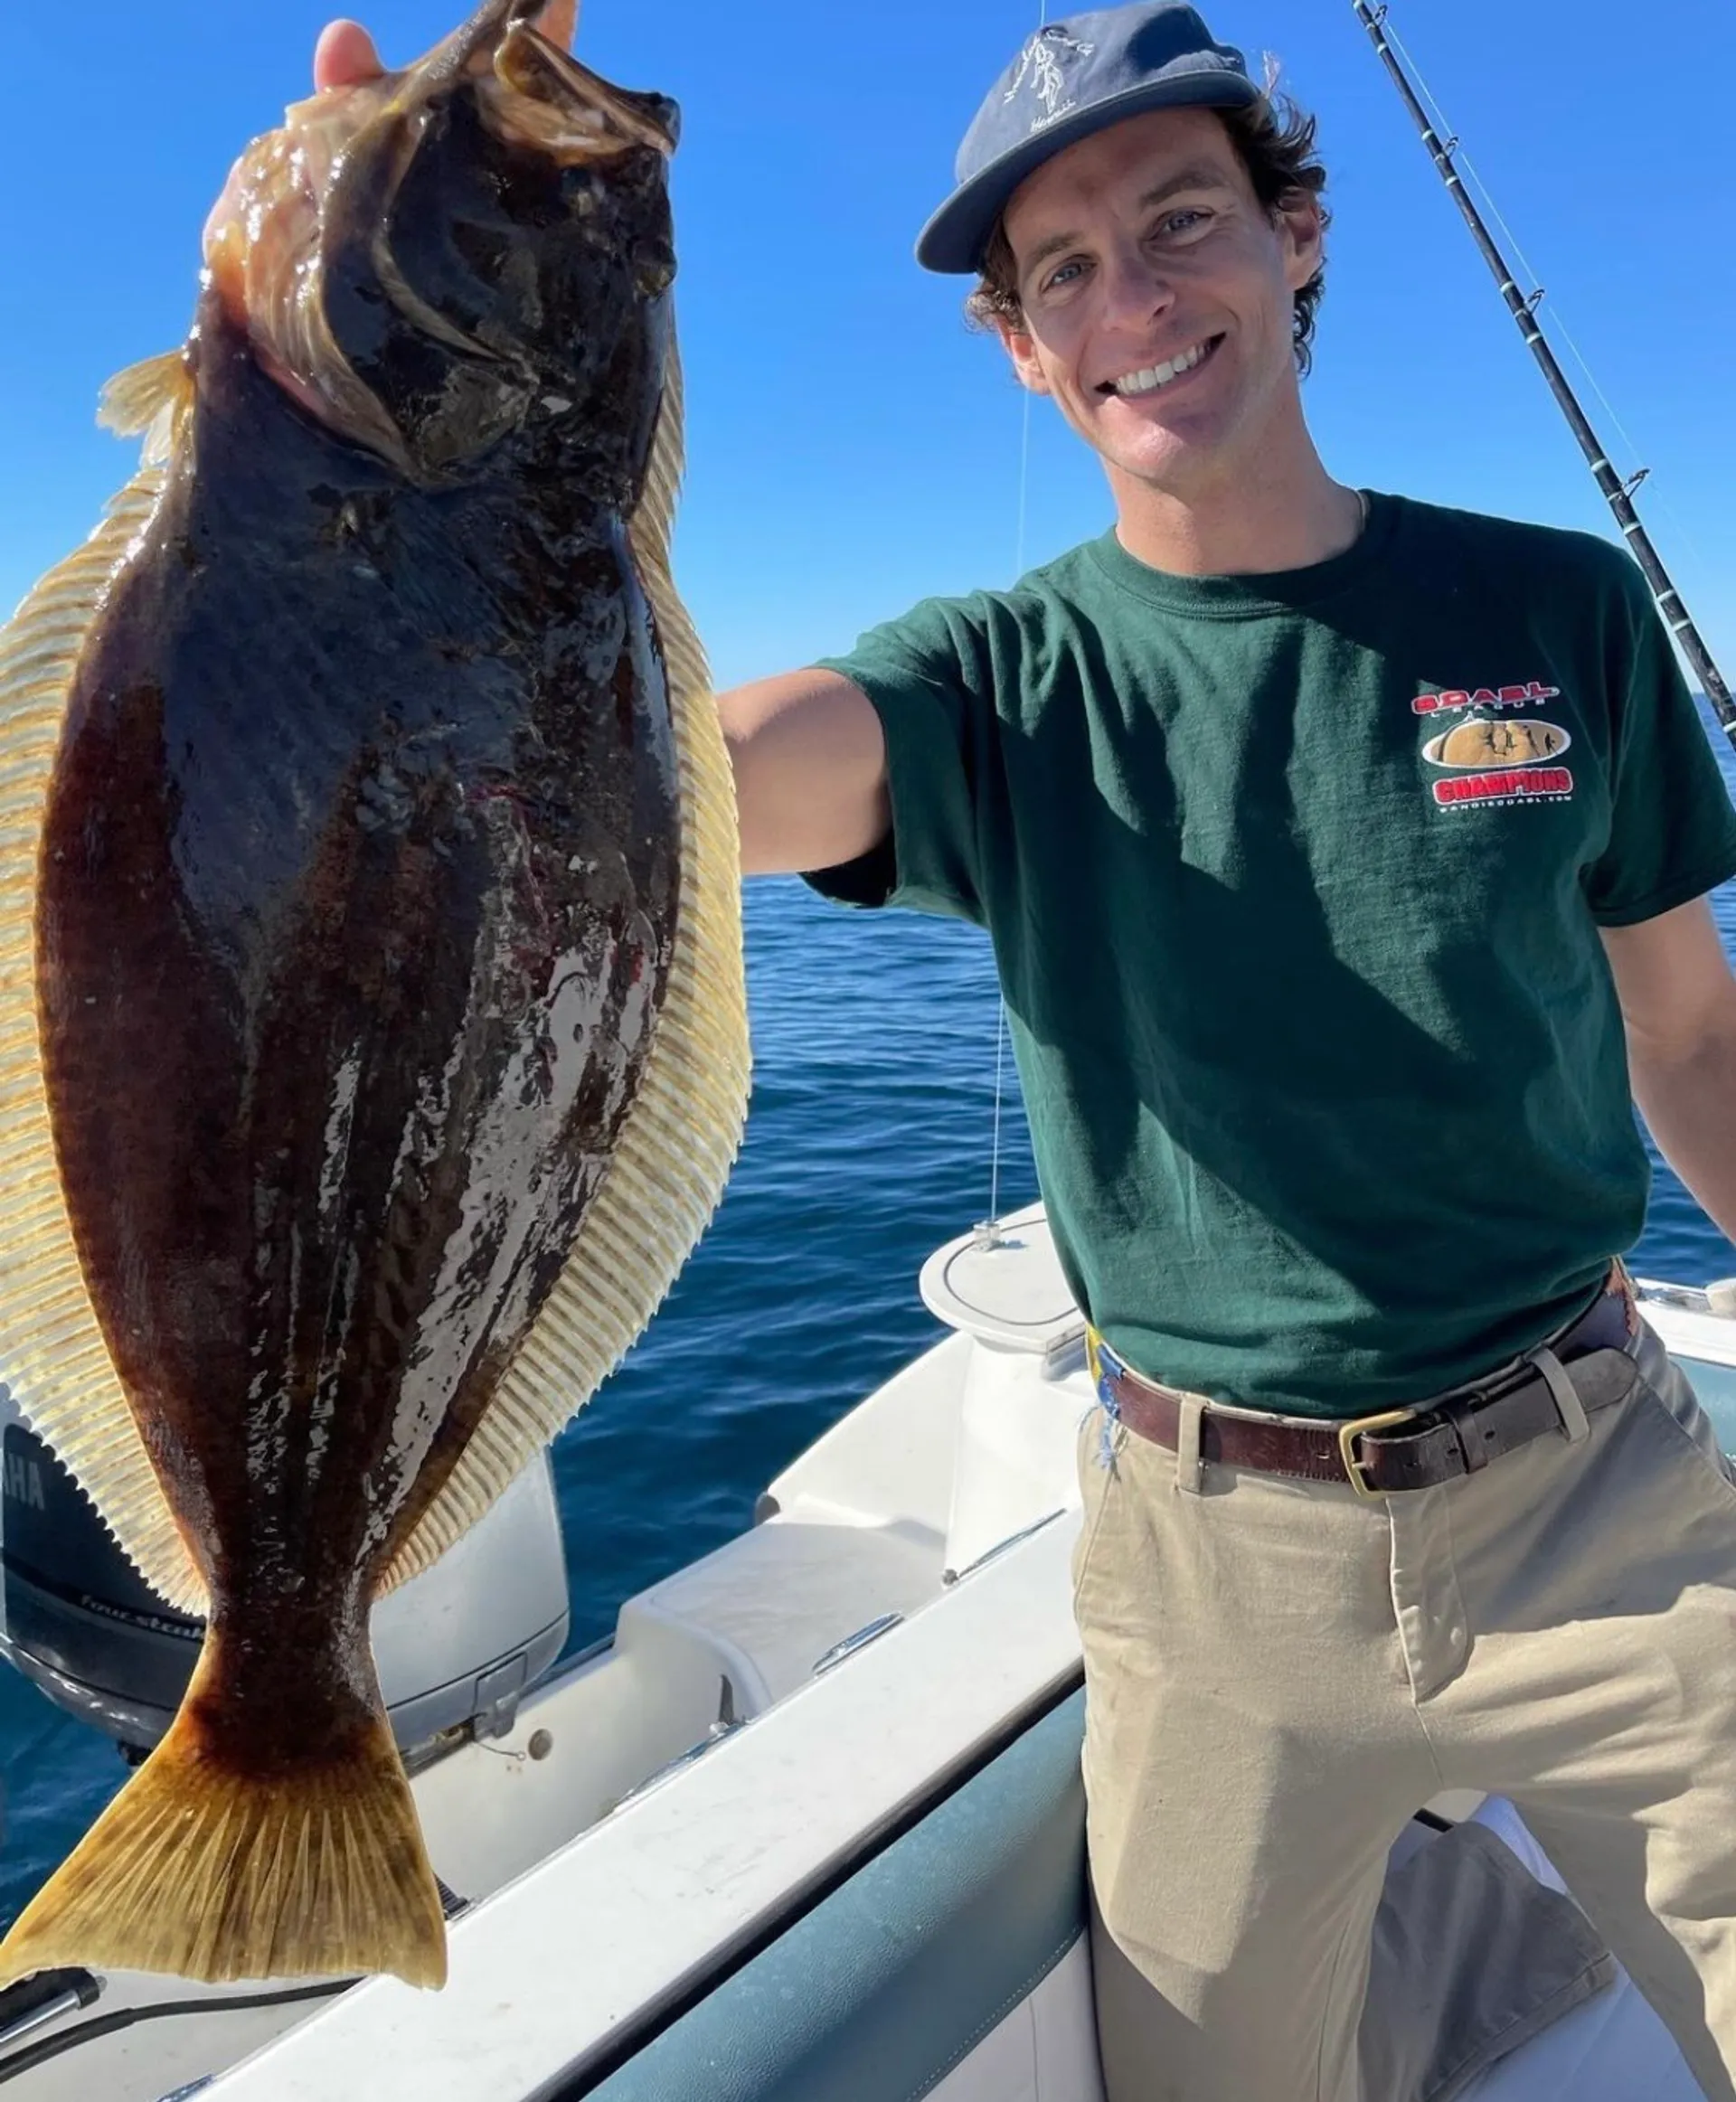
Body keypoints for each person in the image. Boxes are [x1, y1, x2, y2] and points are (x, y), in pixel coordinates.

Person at [317, 6, 1736, 2097]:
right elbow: (702, 779)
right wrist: (410, 397)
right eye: (1062, 268)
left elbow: (1688, 1025)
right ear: (1017, 347)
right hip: (1213, 1560)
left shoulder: (1560, 611)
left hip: (1600, 1492)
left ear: (1297, 239)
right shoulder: (1002, 676)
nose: (1131, 299)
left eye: (1183, 221)